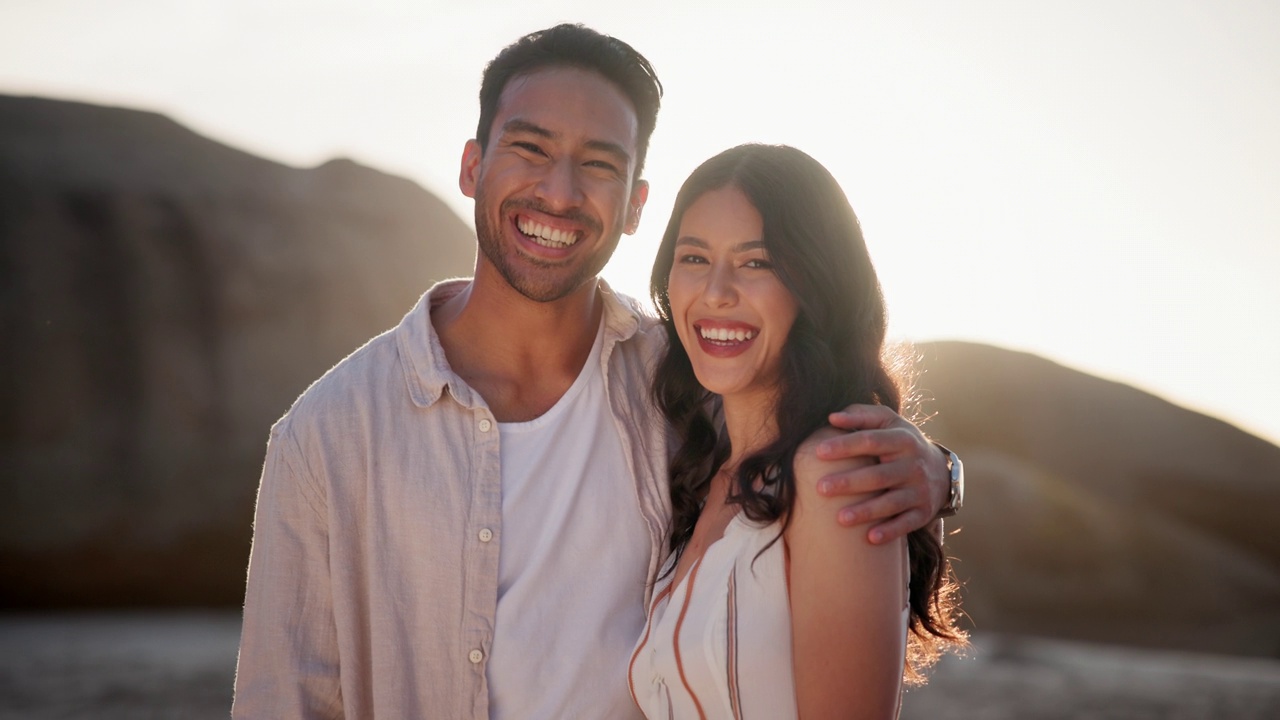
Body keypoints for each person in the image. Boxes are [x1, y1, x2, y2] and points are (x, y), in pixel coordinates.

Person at [232, 24, 961, 719]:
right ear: (470, 165)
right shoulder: (326, 435)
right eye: (530, 147)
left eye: (600, 164)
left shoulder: (682, 388)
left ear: (636, 204)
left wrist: (940, 473)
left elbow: (803, 453)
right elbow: (283, 698)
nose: (559, 191)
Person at [628, 144, 965, 719]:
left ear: (815, 288)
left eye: (756, 263)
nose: (716, 291)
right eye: (693, 258)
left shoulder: (835, 473)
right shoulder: (701, 471)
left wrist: (945, 474)